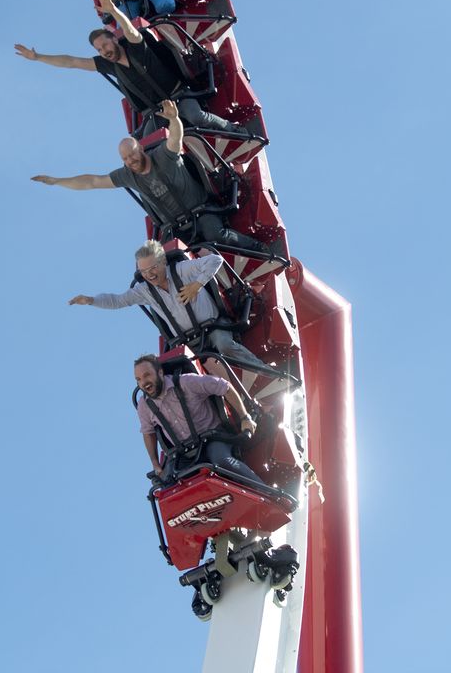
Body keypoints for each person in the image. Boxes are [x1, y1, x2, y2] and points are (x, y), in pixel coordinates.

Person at [31, 99, 272, 255]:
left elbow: (175, 139)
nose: (130, 162)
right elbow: (93, 181)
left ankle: (260, 249)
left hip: (201, 209)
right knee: (166, 259)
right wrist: (56, 181)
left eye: (132, 156)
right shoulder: (128, 175)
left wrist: (174, 119)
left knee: (216, 235)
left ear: (141, 149)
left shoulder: (162, 156)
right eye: (125, 159)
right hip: (177, 226)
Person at [14, 0, 240, 136]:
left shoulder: (135, 47)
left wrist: (113, 11)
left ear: (114, 39)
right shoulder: (108, 65)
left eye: (105, 46)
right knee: (140, 142)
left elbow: (131, 30)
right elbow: (72, 62)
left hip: (179, 95)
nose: (104, 52)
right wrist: (38, 57)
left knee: (196, 117)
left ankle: (234, 130)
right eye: (100, 50)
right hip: (158, 111)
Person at [69, 239, 267, 372]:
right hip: (188, 341)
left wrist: (196, 286)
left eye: (153, 267)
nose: (150, 274)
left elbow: (215, 260)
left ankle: (264, 372)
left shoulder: (181, 270)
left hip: (213, 326)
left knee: (225, 345)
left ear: (163, 262)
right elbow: (118, 300)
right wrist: (91, 300)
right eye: (144, 271)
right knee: (178, 374)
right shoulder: (144, 290)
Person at [133, 353, 264, 485]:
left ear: (160, 373)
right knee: (166, 483)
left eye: (147, 375)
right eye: (138, 379)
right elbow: (148, 432)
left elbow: (225, 387)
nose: (143, 383)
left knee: (222, 461)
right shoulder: (144, 406)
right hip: (184, 452)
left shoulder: (186, 382)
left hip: (213, 437)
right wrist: (155, 464)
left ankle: (266, 493)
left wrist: (245, 417)